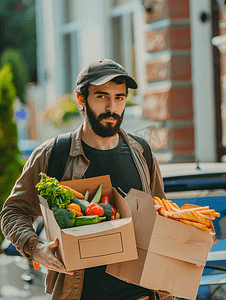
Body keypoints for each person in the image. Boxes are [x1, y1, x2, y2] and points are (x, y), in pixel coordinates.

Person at [0, 59, 176, 300]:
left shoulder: (141, 152)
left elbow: (161, 215)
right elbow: (13, 212)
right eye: (102, 97)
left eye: (119, 98)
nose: (112, 108)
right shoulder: (54, 154)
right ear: (81, 99)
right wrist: (35, 248)